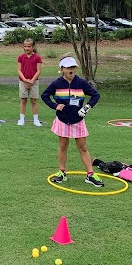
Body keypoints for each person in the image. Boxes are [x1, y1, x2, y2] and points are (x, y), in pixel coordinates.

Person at [41, 56, 104, 187]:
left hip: (77, 120)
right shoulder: (56, 84)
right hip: (62, 120)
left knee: (83, 147)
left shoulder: (81, 83)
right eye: (68, 68)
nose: (71, 70)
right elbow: (44, 95)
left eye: (73, 67)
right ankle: (62, 172)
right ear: (62, 69)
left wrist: (86, 107)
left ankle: (90, 175)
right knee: (63, 146)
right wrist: (54, 106)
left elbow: (95, 95)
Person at [17, 38, 43, 126]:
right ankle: (21, 119)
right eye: (25, 46)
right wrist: (24, 80)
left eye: (29, 46)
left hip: (34, 82)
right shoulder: (21, 57)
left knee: (33, 100)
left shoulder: (37, 57)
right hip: (23, 81)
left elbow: (38, 71)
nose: (27, 48)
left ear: (33, 47)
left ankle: (36, 120)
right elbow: (19, 70)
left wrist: (32, 81)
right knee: (23, 100)